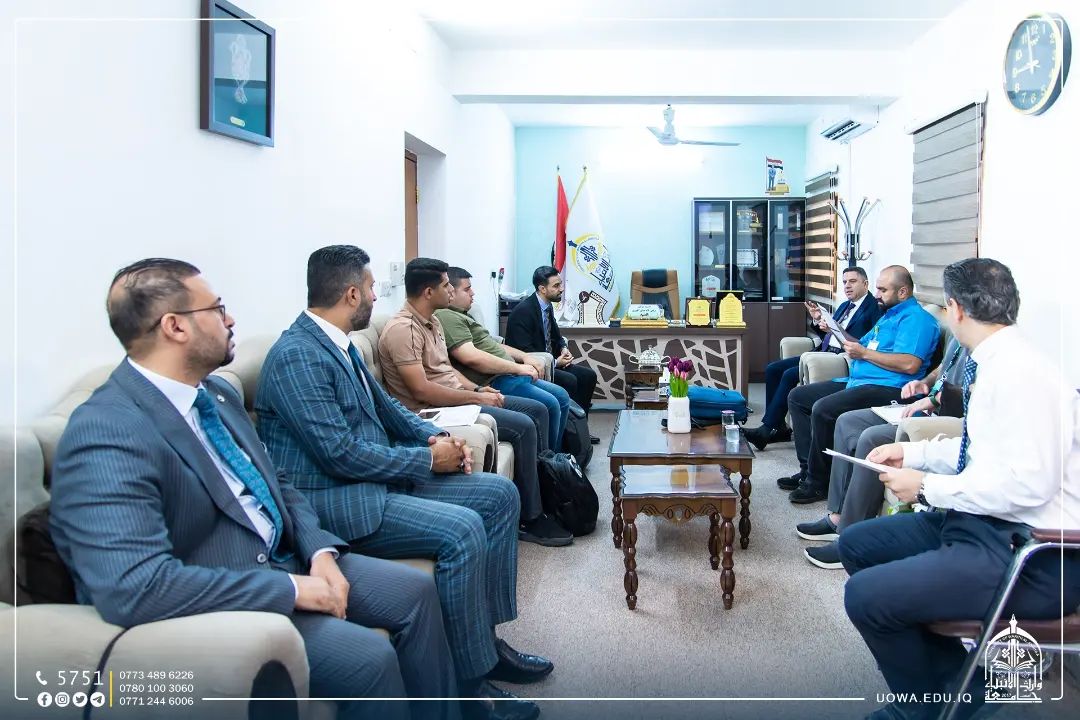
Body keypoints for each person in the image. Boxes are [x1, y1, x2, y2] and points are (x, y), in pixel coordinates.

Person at [49, 259, 459, 720]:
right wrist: (289, 588)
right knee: (369, 658)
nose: (230, 319)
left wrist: (320, 550)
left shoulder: (214, 395)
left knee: (415, 593)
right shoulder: (106, 429)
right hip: (229, 598)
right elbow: (134, 586)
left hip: (290, 556)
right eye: (217, 308)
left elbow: (276, 481)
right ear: (175, 327)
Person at [256, 246, 547, 720]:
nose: (377, 295)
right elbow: (339, 454)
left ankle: (486, 644)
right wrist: (426, 460)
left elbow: (387, 409)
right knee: (461, 532)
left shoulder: (337, 344)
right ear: (351, 294)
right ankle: (470, 688)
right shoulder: (297, 356)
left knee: (499, 496)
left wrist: (435, 437)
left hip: (376, 479)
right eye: (371, 287)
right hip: (339, 500)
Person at [839, 258, 1080, 720]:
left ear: (956, 310)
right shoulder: (996, 363)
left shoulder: (1025, 376)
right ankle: (956, 685)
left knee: (867, 597)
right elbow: (981, 450)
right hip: (987, 524)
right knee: (858, 544)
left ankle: (925, 709)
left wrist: (927, 488)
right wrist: (911, 454)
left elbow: (1027, 486)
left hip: (1033, 554)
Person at [379, 258, 572, 548]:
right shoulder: (403, 329)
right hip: (433, 412)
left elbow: (446, 370)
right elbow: (422, 391)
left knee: (535, 410)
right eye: (446, 285)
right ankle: (531, 518)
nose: (451, 290)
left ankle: (548, 492)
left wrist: (478, 388)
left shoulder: (432, 321)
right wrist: (476, 396)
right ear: (429, 292)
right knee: (524, 425)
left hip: (458, 399)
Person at [798, 337, 971, 570]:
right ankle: (837, 516)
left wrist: (933, 399)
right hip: (924, 403)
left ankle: (849, 534)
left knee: (872, 438)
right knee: (847, 421)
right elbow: (942, 368)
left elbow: (969, 397)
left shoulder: (990, 349)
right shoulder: (958, 338)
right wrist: (925, 383)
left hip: (945, 416)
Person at [781, 265, 940, 504]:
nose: (877, 295)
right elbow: (858, 345)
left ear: (903, 292)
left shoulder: (917, 320)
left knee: (823, 409)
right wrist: (834, 328)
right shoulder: (888, 316)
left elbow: (909, 364)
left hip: (890, 388)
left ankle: (818, 483)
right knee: (798, 397)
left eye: (883, 290)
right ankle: (808, 472)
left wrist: (864, 353)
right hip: (859, 382)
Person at [745, 266, 882, 450]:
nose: (847, 286)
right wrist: (818, 320)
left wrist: (834, 329)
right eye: (844, 282)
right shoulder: (845, 306)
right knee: (773, 369)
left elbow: (861, 342)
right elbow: (828, 335)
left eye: (852, 281)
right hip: (823, 350)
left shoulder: (873, 309)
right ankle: (780, 427)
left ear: (865, 284)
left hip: (837, 357)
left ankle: (765, 430)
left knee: (789, 374)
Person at [439, 266, 571, 456]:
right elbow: (471, 357)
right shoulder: (447, 316)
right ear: (451, 292)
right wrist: (518, 368)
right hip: (496, 380)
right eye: (467, 289)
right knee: (550, 403)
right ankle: (548, 463)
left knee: (562, 396)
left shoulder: (463, 315)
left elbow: (493, 344)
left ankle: (555, 456)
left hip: (509, 375)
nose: (473, 293)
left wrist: (525, 357)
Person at [505, 266, 599, 439]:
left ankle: (580, 430)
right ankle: (566, 434)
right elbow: (525, 352)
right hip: (534, 368)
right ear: (542, 288)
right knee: (570, 380)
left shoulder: (547, 307)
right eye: (556, 286)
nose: (561, 289)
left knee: (588, 376)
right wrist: (556, 363)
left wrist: (563, 348)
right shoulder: (523, 312)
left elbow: (556, 336)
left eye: (560, 284)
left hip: (552, 363)